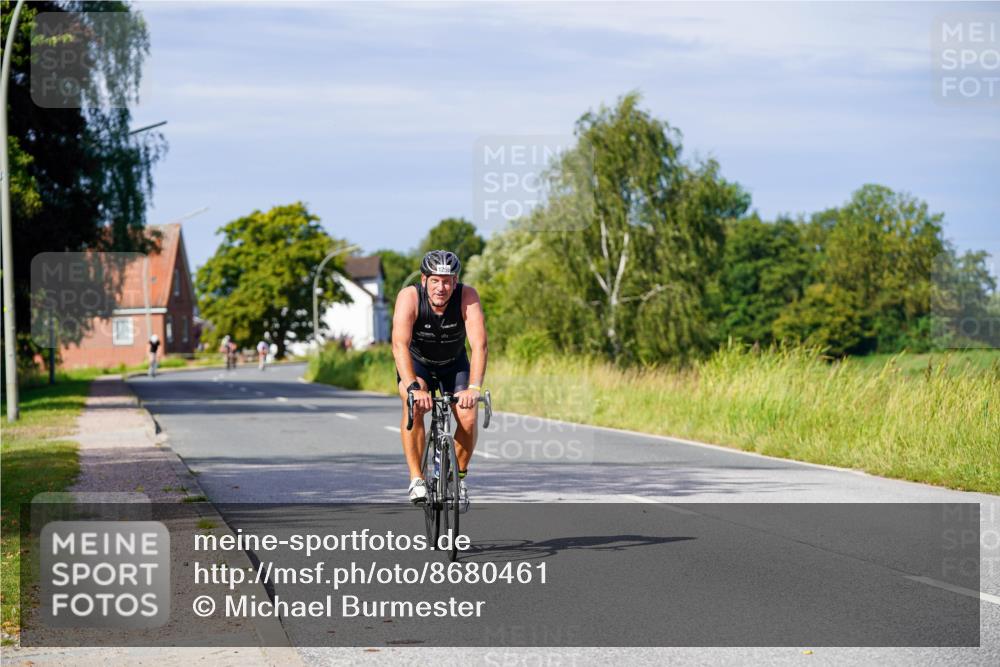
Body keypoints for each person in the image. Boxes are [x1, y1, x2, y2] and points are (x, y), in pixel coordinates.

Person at [392, 250, 488, 511]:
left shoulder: (467, 296)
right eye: (436, 280)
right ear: (424, 280)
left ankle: (456, 476)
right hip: (417, 364)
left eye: (447, 281)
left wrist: (474, 388)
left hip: (454, 364)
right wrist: (412, 387)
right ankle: (416, 478)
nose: (441, 287)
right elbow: (399, 344)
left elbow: (479, 346)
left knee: (468, 416)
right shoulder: (409, 297)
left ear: (455, 282)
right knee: (414, 403)